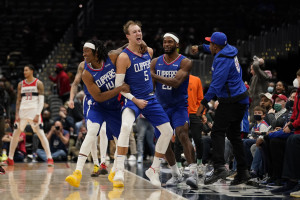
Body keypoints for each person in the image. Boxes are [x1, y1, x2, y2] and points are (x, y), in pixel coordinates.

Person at [113, 20, 174, 187]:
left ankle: (153, 169)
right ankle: (119, 168)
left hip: (150, 98)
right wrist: (135, 100)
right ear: (128, 36)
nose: (138, 33)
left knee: (168, 131)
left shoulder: (149, 51)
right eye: (134, 32)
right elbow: (119, 87)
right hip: (132, 98)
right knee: (125, 127)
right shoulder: (124, 57)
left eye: (139, 30)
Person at [65, 39, 130, 187]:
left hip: (114, 106)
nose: (83, 53)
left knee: (120, 137)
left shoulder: (112, 57)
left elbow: (124, 48)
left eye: (86, 51)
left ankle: (117, 170)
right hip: (97, 105)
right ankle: (77, 172)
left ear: (96, 52)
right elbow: (99, 97)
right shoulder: (86, 72)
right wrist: (119, 89)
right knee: (93, 131)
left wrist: (138, 43)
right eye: (83, 50)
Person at [191, 32, 250, 185]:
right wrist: (199, 47)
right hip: (240, 99)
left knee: (217, 132)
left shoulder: (223, 60)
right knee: (234, 135)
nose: (209, 45)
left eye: (210, 44)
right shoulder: (229, 49)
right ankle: (243, 172)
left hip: (231, 101)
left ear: (216, 46)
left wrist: (202, 104)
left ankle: (219, 168)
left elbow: (216, 86)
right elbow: (210, 47)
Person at [150, 32, 198, 188]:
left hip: (178, 106)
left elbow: (176, 82)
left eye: (170, 42)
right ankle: (175, 174)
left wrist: (153, 75)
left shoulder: (185, 62)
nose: (166, 44)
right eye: (164, 42)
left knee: (182, 133)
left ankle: (193, 172)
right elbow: (152, 88)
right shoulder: (155, 62)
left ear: (177, 44)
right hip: (161, 107)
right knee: (162, 141)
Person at [5, 65, 53, 166]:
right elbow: (18, 100)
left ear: (31, 71)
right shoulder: (20, 84)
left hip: (34, 111)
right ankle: (10, 158)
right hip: (22, 112)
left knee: (40, 134)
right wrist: (17, 114)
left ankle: (49, 158)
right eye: (24, 70)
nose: (24, 72)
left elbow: (41, 101)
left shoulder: (38, 83)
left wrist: (37, 114)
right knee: (15, 134)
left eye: (26, 70)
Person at [0, 81, 10, 174]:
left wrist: (8, 117)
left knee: (1, 137)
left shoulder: (5, 94)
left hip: (1, 116)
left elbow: (7, 106)